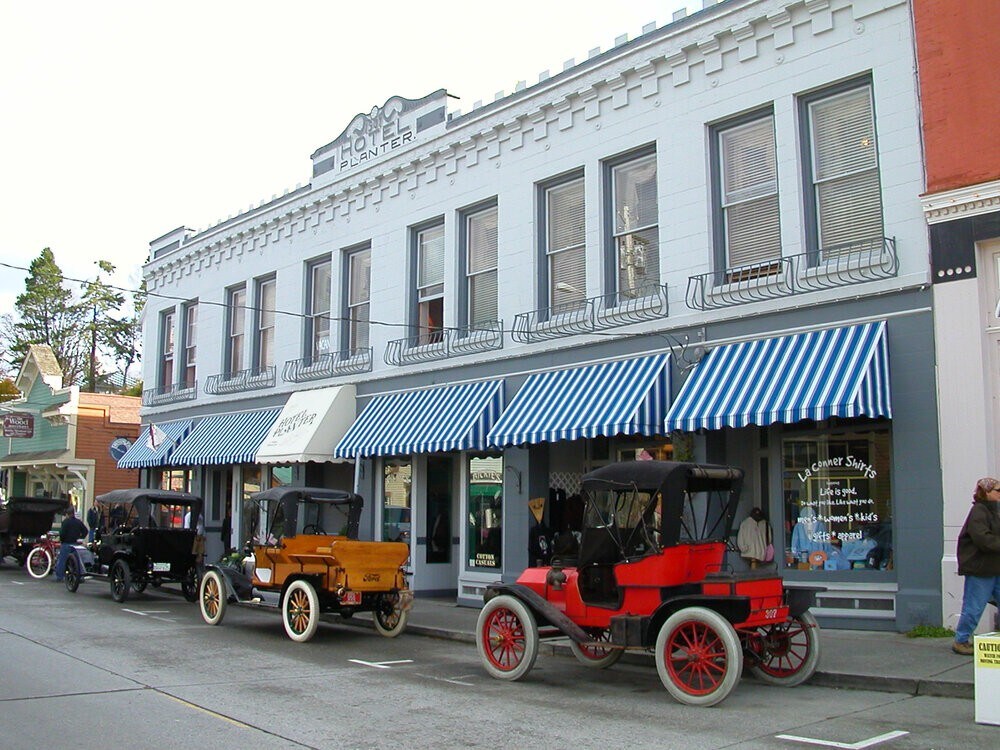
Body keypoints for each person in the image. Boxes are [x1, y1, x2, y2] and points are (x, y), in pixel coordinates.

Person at [952, 476, 1000, 656]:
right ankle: (961, 640)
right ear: (986, 492)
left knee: (975, 605)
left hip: (995, 568)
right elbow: (983, 540)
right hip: (981, 569)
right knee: (974, 607)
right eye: (998, 491)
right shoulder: (979, 511)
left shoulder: (994, 511)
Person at [53, 508, 88, 582]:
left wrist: (61, 540)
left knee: (62, 560)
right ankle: (81, 576)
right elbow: (85, 531)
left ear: (67, 514)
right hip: (75, 544)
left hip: (66, 543)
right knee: (77, 560)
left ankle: (60, 576)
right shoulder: (78, 522)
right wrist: (81, 537)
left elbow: (62, 534)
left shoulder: (65, 522)